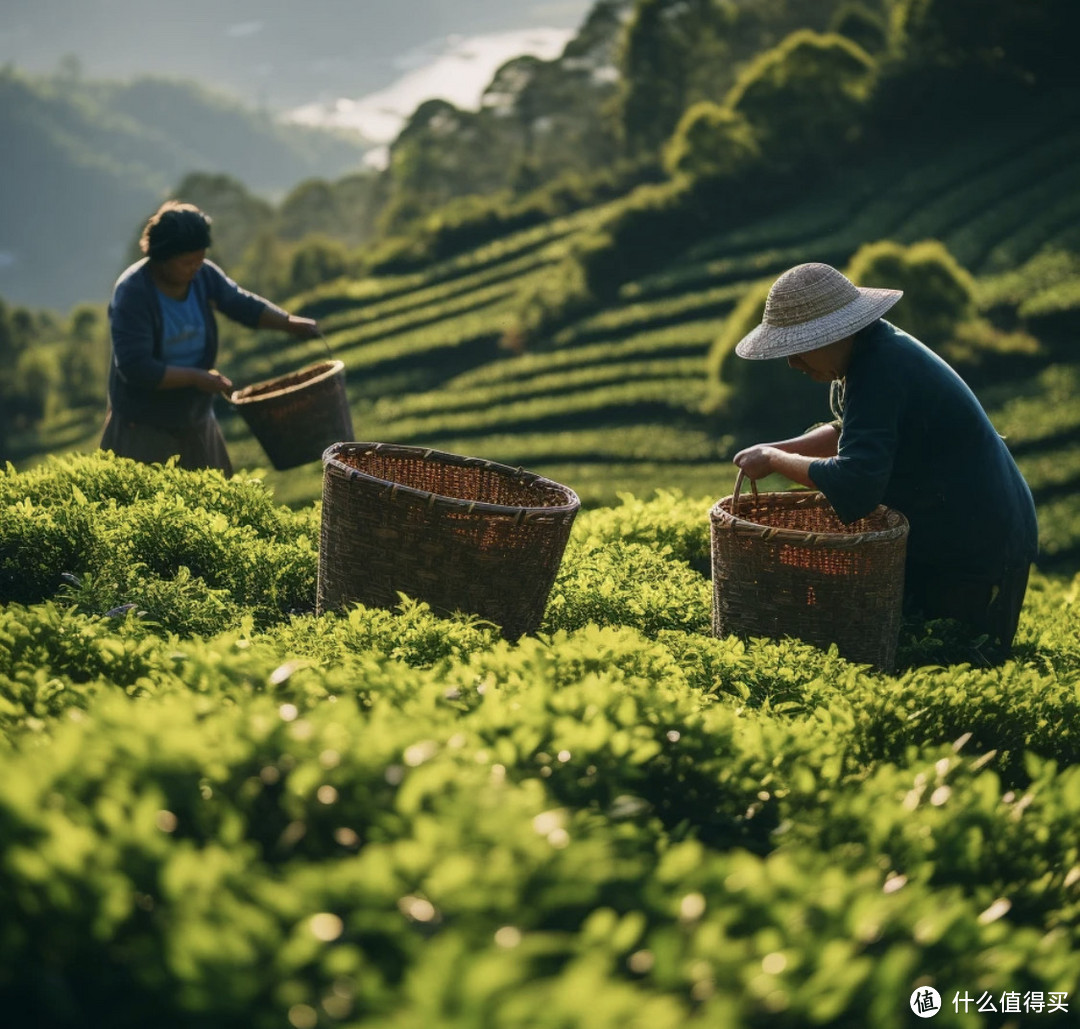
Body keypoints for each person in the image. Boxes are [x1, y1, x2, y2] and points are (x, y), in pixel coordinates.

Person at [732, 262, 1038, 662]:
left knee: (955, 662)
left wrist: (774, 459)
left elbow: (857, 481)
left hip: (977, 542)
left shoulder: (881, 367)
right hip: (954, 528)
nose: (793, 363)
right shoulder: (870, 356)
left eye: (799, 348)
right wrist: (773, 448)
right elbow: (848, 433)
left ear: (835, 333)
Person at [100, 200, 320, 476]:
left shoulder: (203, 276)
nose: (195, 268)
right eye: (186, 262)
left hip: (194, 414)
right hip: (144, 424)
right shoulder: (133, 293)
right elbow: (136, 367)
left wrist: (290, 323)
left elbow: (240, 303)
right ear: (161, 257)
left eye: (199, 259)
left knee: (215, 502)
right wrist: (196, 377)